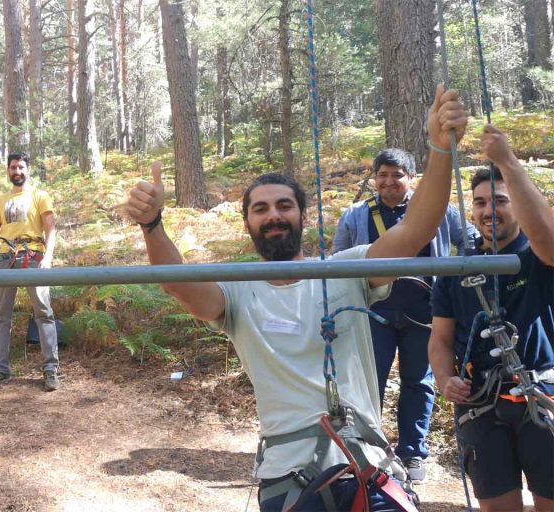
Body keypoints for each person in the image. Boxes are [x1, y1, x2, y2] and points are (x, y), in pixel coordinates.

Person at [125, 85, 467, 510]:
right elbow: (178, 283)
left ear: (302, 215)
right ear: (247, 223)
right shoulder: (236, 291)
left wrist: (440, 148)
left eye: (284, 206)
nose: (273, 215)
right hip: (290, 479)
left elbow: (416, 229)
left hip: (368, 469)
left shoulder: (346, 270)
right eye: (261, 209)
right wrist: (152, 225)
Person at [428, 126, 554, 512]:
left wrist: (507, 161)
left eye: (499, 201)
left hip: (539, 394)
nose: (488, 211)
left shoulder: (537, 257)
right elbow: (440, 339)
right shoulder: (457, 269)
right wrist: (445, 379)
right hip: (480, 402)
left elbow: (547, 238)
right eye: (480, 203)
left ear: (517, 204)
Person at [332, 148, 477, 482]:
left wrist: (458, 282)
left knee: (419, 382)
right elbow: (338, 259)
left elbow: (470, 240)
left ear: (411, 178)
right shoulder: (356, 215)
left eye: (397, 175)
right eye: (382, 175)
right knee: (370, 383)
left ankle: (412, 453)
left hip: (425, 312)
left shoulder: (438, 211)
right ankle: (369, 451)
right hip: (373, 312)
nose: (388, 181)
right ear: (374, 178)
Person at [0, 152, 59, 391]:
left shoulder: (39, 196)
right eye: (13, 167)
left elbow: (50, 229)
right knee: (2, 316)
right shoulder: (1, 201)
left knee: (43, 312)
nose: (17, 171)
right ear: (8, 170)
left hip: (33, 256)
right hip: (5, 258)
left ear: (27, 170)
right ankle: (0, 370)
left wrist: (48, 258)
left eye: (21, 167)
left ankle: (50, 369)